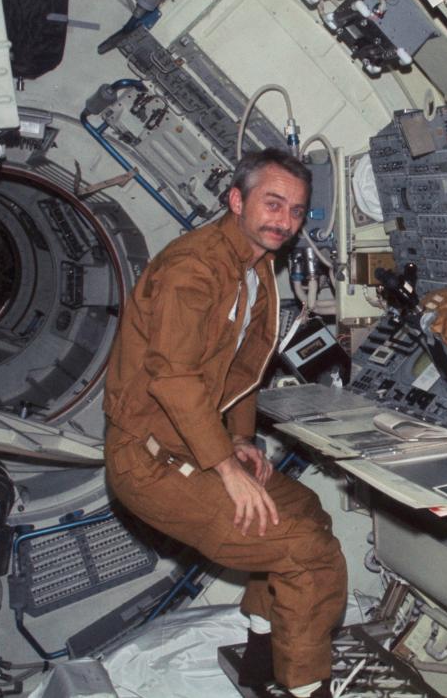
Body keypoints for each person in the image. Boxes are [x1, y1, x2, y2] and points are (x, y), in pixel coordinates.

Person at [103, 148, 346, 698]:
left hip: (192, 443)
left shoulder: (255, 266)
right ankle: (309, 690)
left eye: (297, 211)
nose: (285, 221)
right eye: (273, 203)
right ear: (237, 200)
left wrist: (239, 439)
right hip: (147, 460)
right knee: (304, 551)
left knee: (304, 509)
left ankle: (262, 649)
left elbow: (243, 366)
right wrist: (224, 468)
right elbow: (174, 379)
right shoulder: (195, 269)